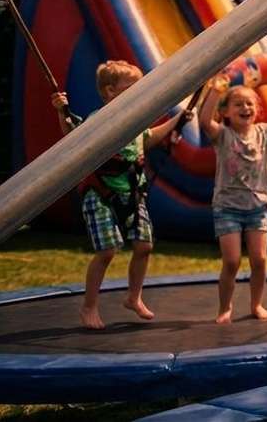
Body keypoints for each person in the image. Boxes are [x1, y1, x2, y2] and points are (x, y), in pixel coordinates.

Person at [51, 60, 188, 330]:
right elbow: (73, 134)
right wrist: (61, 111)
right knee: (107, 251)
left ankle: (133, 297)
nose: (141, 92)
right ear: (111, 91)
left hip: (132, 195)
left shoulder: (137, 123)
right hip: (101, 194)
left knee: (144, 246)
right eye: (133, 87)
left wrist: (179, 119)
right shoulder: (98, 119)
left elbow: (151, 138)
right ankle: (89, 307)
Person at [198, 70, 267, 324]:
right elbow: (205, 121)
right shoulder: (222, 135)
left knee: (259, 260)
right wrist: (215, 90)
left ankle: (256, 304)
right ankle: (225, 308)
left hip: (257, 208)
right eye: (238, 104)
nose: (245, 107)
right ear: (225, 112)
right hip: (227, 208)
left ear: (256, 110)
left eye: (250, 103)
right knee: (232, 261)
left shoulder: (265, 132)